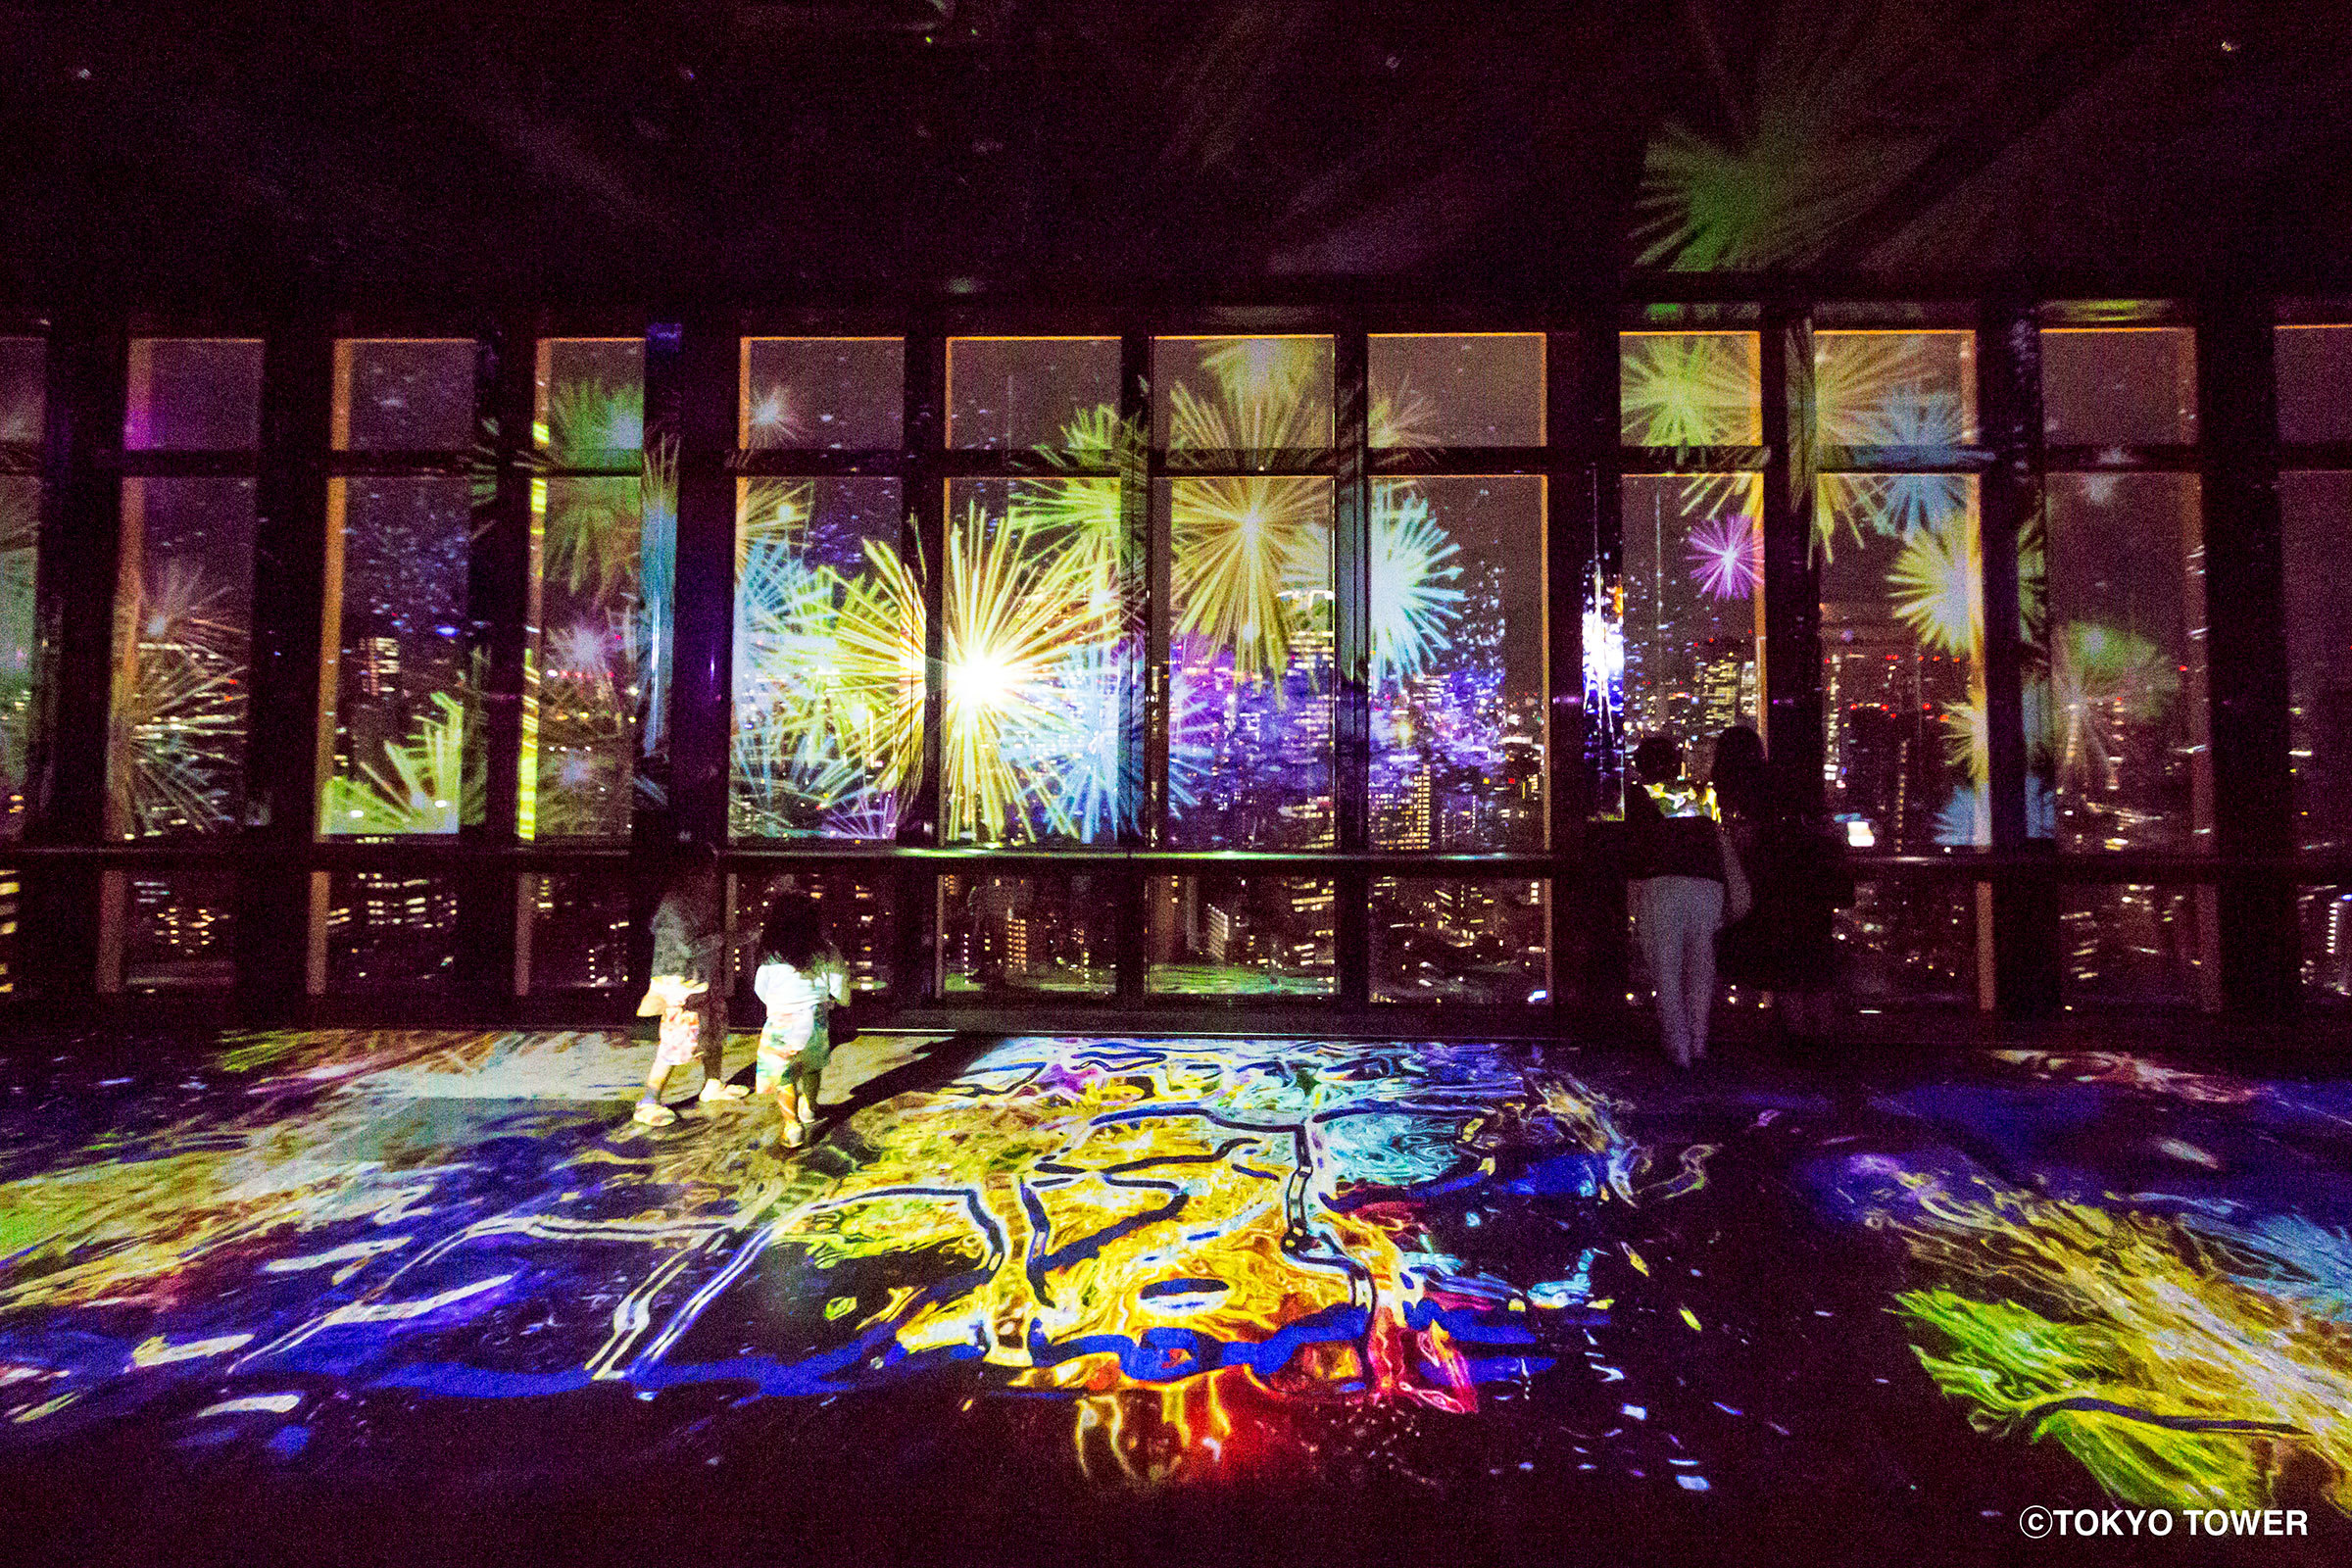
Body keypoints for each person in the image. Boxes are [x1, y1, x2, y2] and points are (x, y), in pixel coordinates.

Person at [1711, 725, 1850, 1045]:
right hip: (1812, 882)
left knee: (1787, 968)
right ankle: (1823, 1045)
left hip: (1776, 888)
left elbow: (1745, 842)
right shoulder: (1783, 780)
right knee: (1814, 962)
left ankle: (1798, 1044)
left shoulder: (1741, 789)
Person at [1623, 735, 1728, 1067]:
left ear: (1640, 766)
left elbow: (1634, 850)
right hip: (1709, 885)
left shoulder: (1637, 797)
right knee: (1701, 970)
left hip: (1662, 885)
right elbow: (1718, 838)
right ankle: (1699, 1044)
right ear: (1676, 763)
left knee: (1667, 974)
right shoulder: (1704, 793)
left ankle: (1679, 1052)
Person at [631, 843, 750, 1127]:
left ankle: (712, 1085)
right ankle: (648, 1100)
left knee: (713, 1032)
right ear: (690, 872)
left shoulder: (695, 900)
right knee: (676, 1042)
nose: (712, 876)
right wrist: (730, 938)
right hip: (680, 986)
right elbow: (686, 947)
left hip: (701, 980)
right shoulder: (674, 905)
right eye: (707, 871)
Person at [753, 892, 849, 1149]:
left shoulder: (771, 954)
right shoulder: (827, 950)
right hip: (815, 1019)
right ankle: (810, 1108)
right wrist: (841, 1001)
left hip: (781, 1021)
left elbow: (761, 988)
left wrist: (774, 1004)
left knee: (784, 1076)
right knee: (812, 1067)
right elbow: (839, 985)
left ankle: (792, 1126)